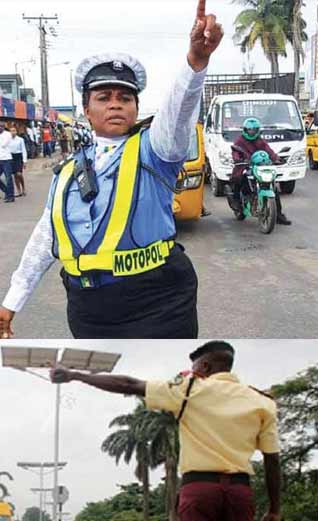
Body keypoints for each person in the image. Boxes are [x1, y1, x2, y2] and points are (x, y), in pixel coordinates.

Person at [0, 0, 223, 339]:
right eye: (104, 97)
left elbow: (178, 113)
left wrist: (196, 63)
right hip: (89, 307)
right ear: (87, 110)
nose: (116, 103)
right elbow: (46, 236)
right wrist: (11, 302)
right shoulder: (66, 173)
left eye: (125, 97)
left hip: (158, 301)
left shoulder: (157, 149)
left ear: (135, 108)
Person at [48, 340, 281, 521]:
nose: (191, 371)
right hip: (240, 492)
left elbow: (129, 385)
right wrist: (274, 510)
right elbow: (272, 460)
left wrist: (74, 375)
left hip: (199, 491)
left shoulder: (190, 388)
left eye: (194, 367)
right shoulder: (262, 401)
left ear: (204, 365)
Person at [230, 117, 292, 225]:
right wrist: (238, 159)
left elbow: (268, 151)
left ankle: (278, 215)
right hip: (245, 166)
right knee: (240, 179)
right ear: (245, 130)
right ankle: (237, 202)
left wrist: (276, 158)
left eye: (254, 130)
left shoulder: (260, 140)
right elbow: (235, 151)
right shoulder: (240, 141)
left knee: (273, 187)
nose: (252, 132)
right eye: (249, 130)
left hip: (259, 166)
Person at [7, 127, 27, 198]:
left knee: (19, 174)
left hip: (18, 157)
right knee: (15, 175)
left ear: (16, 131)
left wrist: (24, 161)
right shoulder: (8, 140)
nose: (13, 132)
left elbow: (24, 150)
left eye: (14, 131)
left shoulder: (20, 140)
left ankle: (23, 188)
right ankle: (19, 191)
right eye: (11, 131)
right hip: (11, 157)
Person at [0, 121, 15, 203]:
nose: (0, 127)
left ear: (4, 127)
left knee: (8, 178)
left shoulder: (8, 134)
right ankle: (7, 191)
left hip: (6, 159)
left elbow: (3, 144)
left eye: (2, 126)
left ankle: (11, 196)